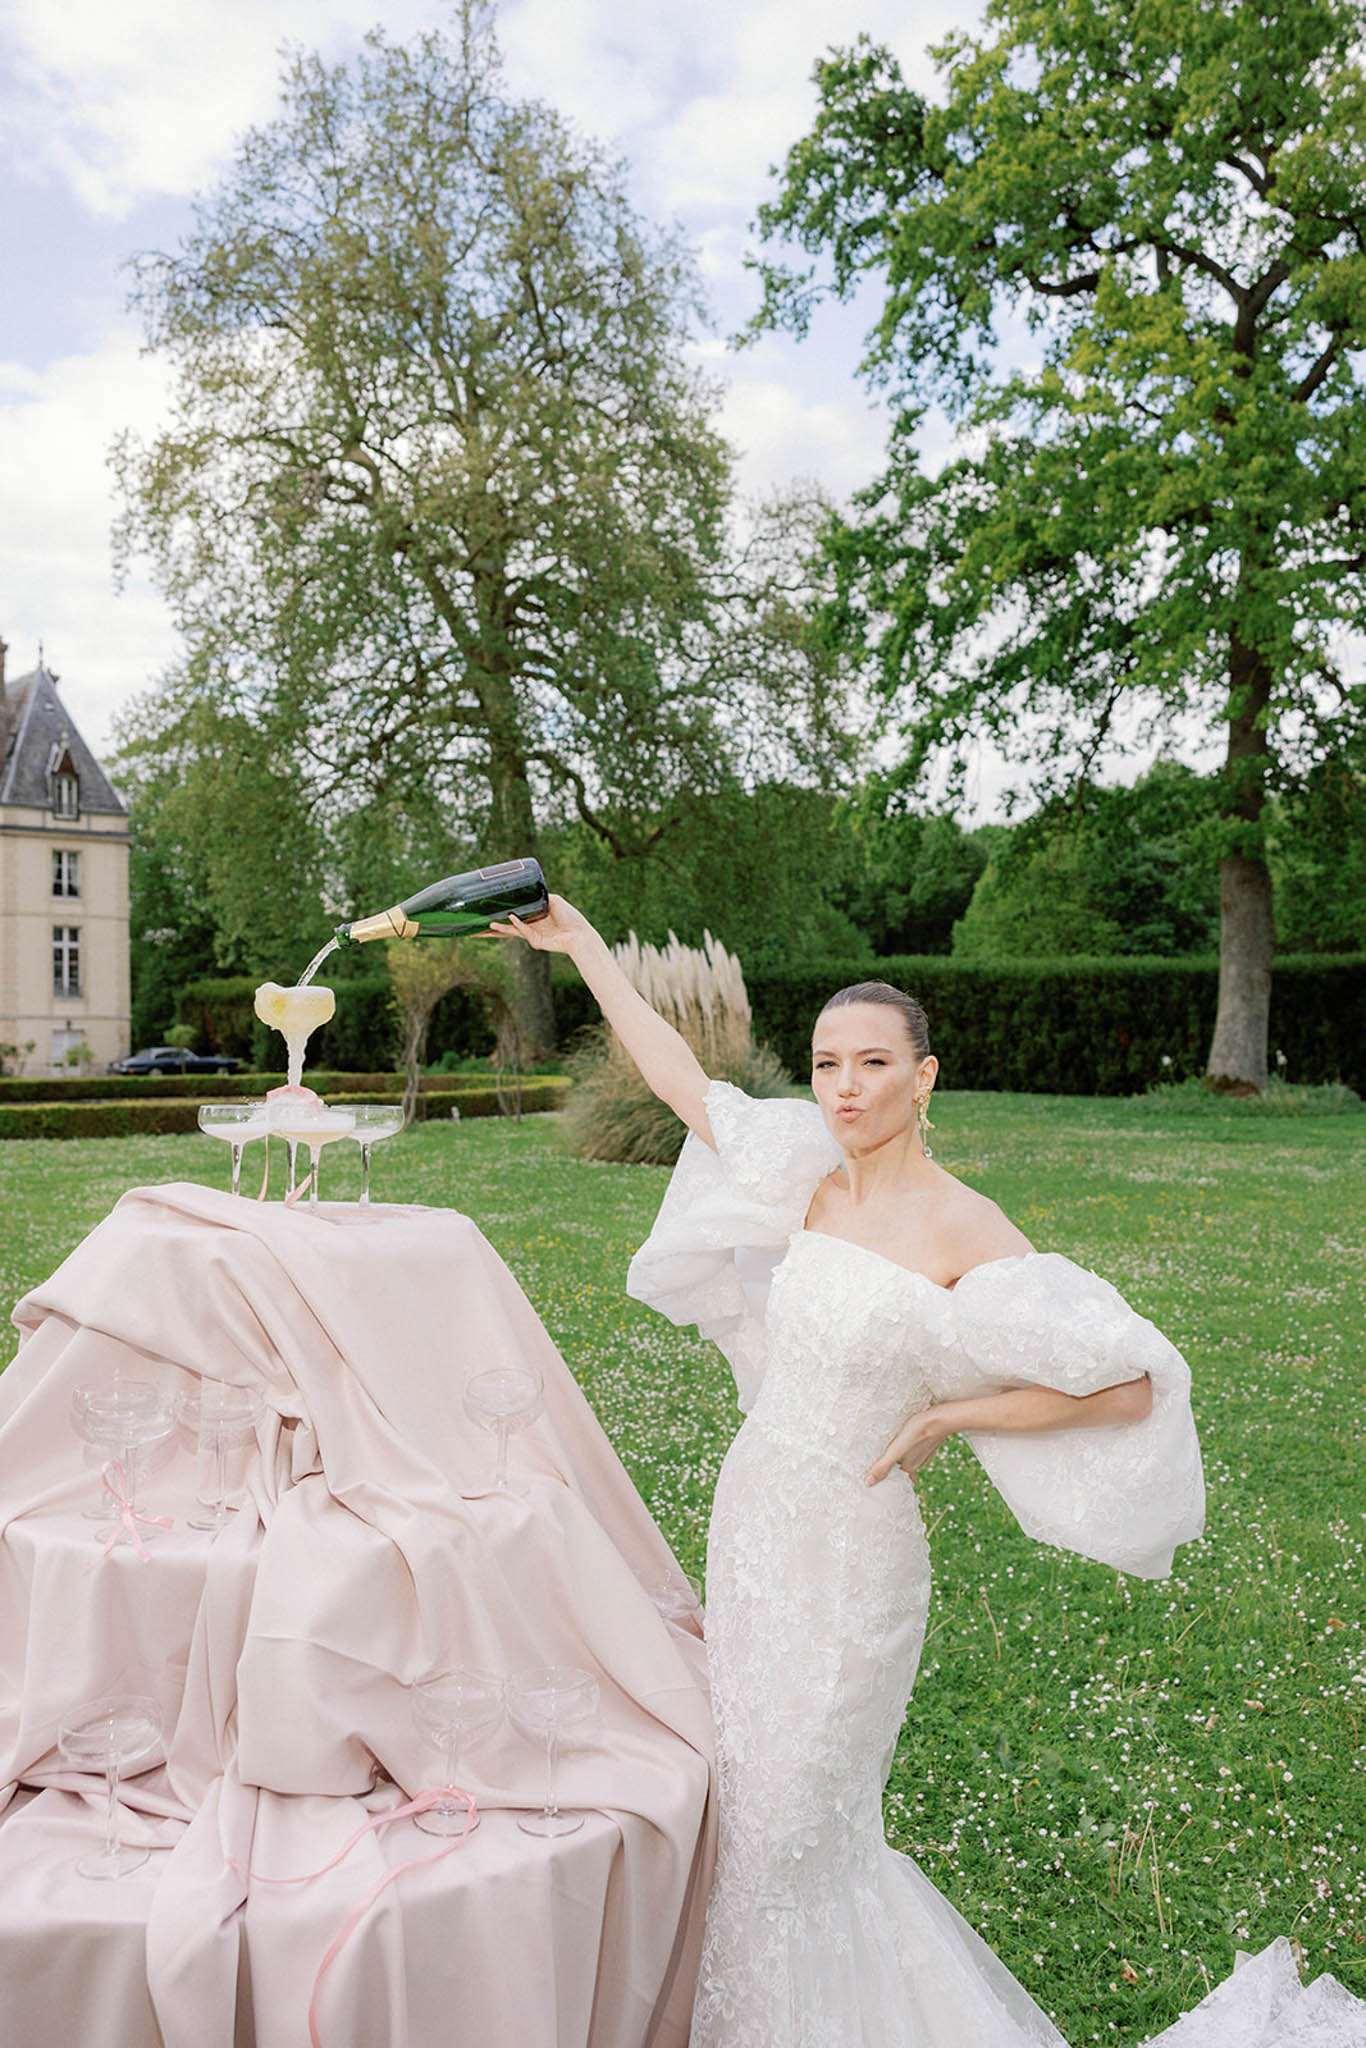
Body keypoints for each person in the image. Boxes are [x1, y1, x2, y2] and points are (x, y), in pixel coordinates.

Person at [491, 896, 1366, 2048]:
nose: (843, 1087)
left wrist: (957, 1409)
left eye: (871, 1063)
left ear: (924, 1076)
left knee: (801, 1829)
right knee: (746, 1814)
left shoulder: (965, 1228)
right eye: (823, 1065)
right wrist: (585, 948)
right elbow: (683, 1086)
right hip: (756, 1523)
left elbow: (1132, 1380)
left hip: (855, 1557)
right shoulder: (808, 1172)